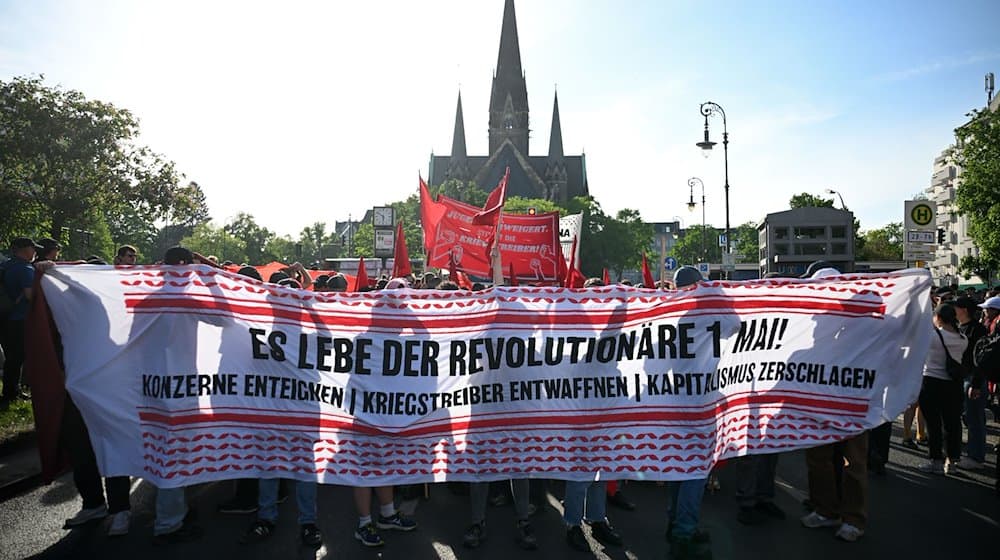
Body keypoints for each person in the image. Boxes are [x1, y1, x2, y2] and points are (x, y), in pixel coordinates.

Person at [801, 263, 867, 542]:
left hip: (854, 401)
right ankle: (826, 510)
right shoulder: (812, 320)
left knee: (854, 461)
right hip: (820, 399)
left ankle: (853, 518)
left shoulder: (858, 322)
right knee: (819, 458)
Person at [561, 277, 625, 552]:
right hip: (581, 411)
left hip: (606, 410)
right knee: (580, 473)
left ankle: (597, 519)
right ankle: (572, 524)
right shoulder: (577, 330)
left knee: (602, 469)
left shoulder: (613, 330)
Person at [664, 266, 711, 560]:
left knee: (678, 466)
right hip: (697, 402)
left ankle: (676, 522)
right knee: (696, 469)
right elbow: (735, 326)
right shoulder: (705, 315)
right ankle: (684, 530)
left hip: (671, 401)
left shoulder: (666, 315)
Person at [916, 303, 968, 475]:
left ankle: (935, 460)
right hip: (953, 384)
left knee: (933, 424)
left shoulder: (932, 336)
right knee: (952, 423)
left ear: (937, 317)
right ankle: (951, 462)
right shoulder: (962, 338)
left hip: (931, 381)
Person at [1, 237, 40, 404]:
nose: (35, 252)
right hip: (19, 318)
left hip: (4, 315)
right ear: (24, 249)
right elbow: (30, 295)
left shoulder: (6, 265)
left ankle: (10, 390)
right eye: (33, 248)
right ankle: (11, 393)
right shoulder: (25, 269)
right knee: (16, 357)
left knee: (10, 356)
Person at [954, 297, 989, 468]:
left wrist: (976, 383)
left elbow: (980, 360)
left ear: (965, 310)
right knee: (967, 417)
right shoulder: (959, 327)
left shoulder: (978, 330)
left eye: (956, 307)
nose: (954, 311)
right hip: (962, 378)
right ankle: (971, 452)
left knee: (974, 419)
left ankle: (976, 457)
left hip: (973, 379)